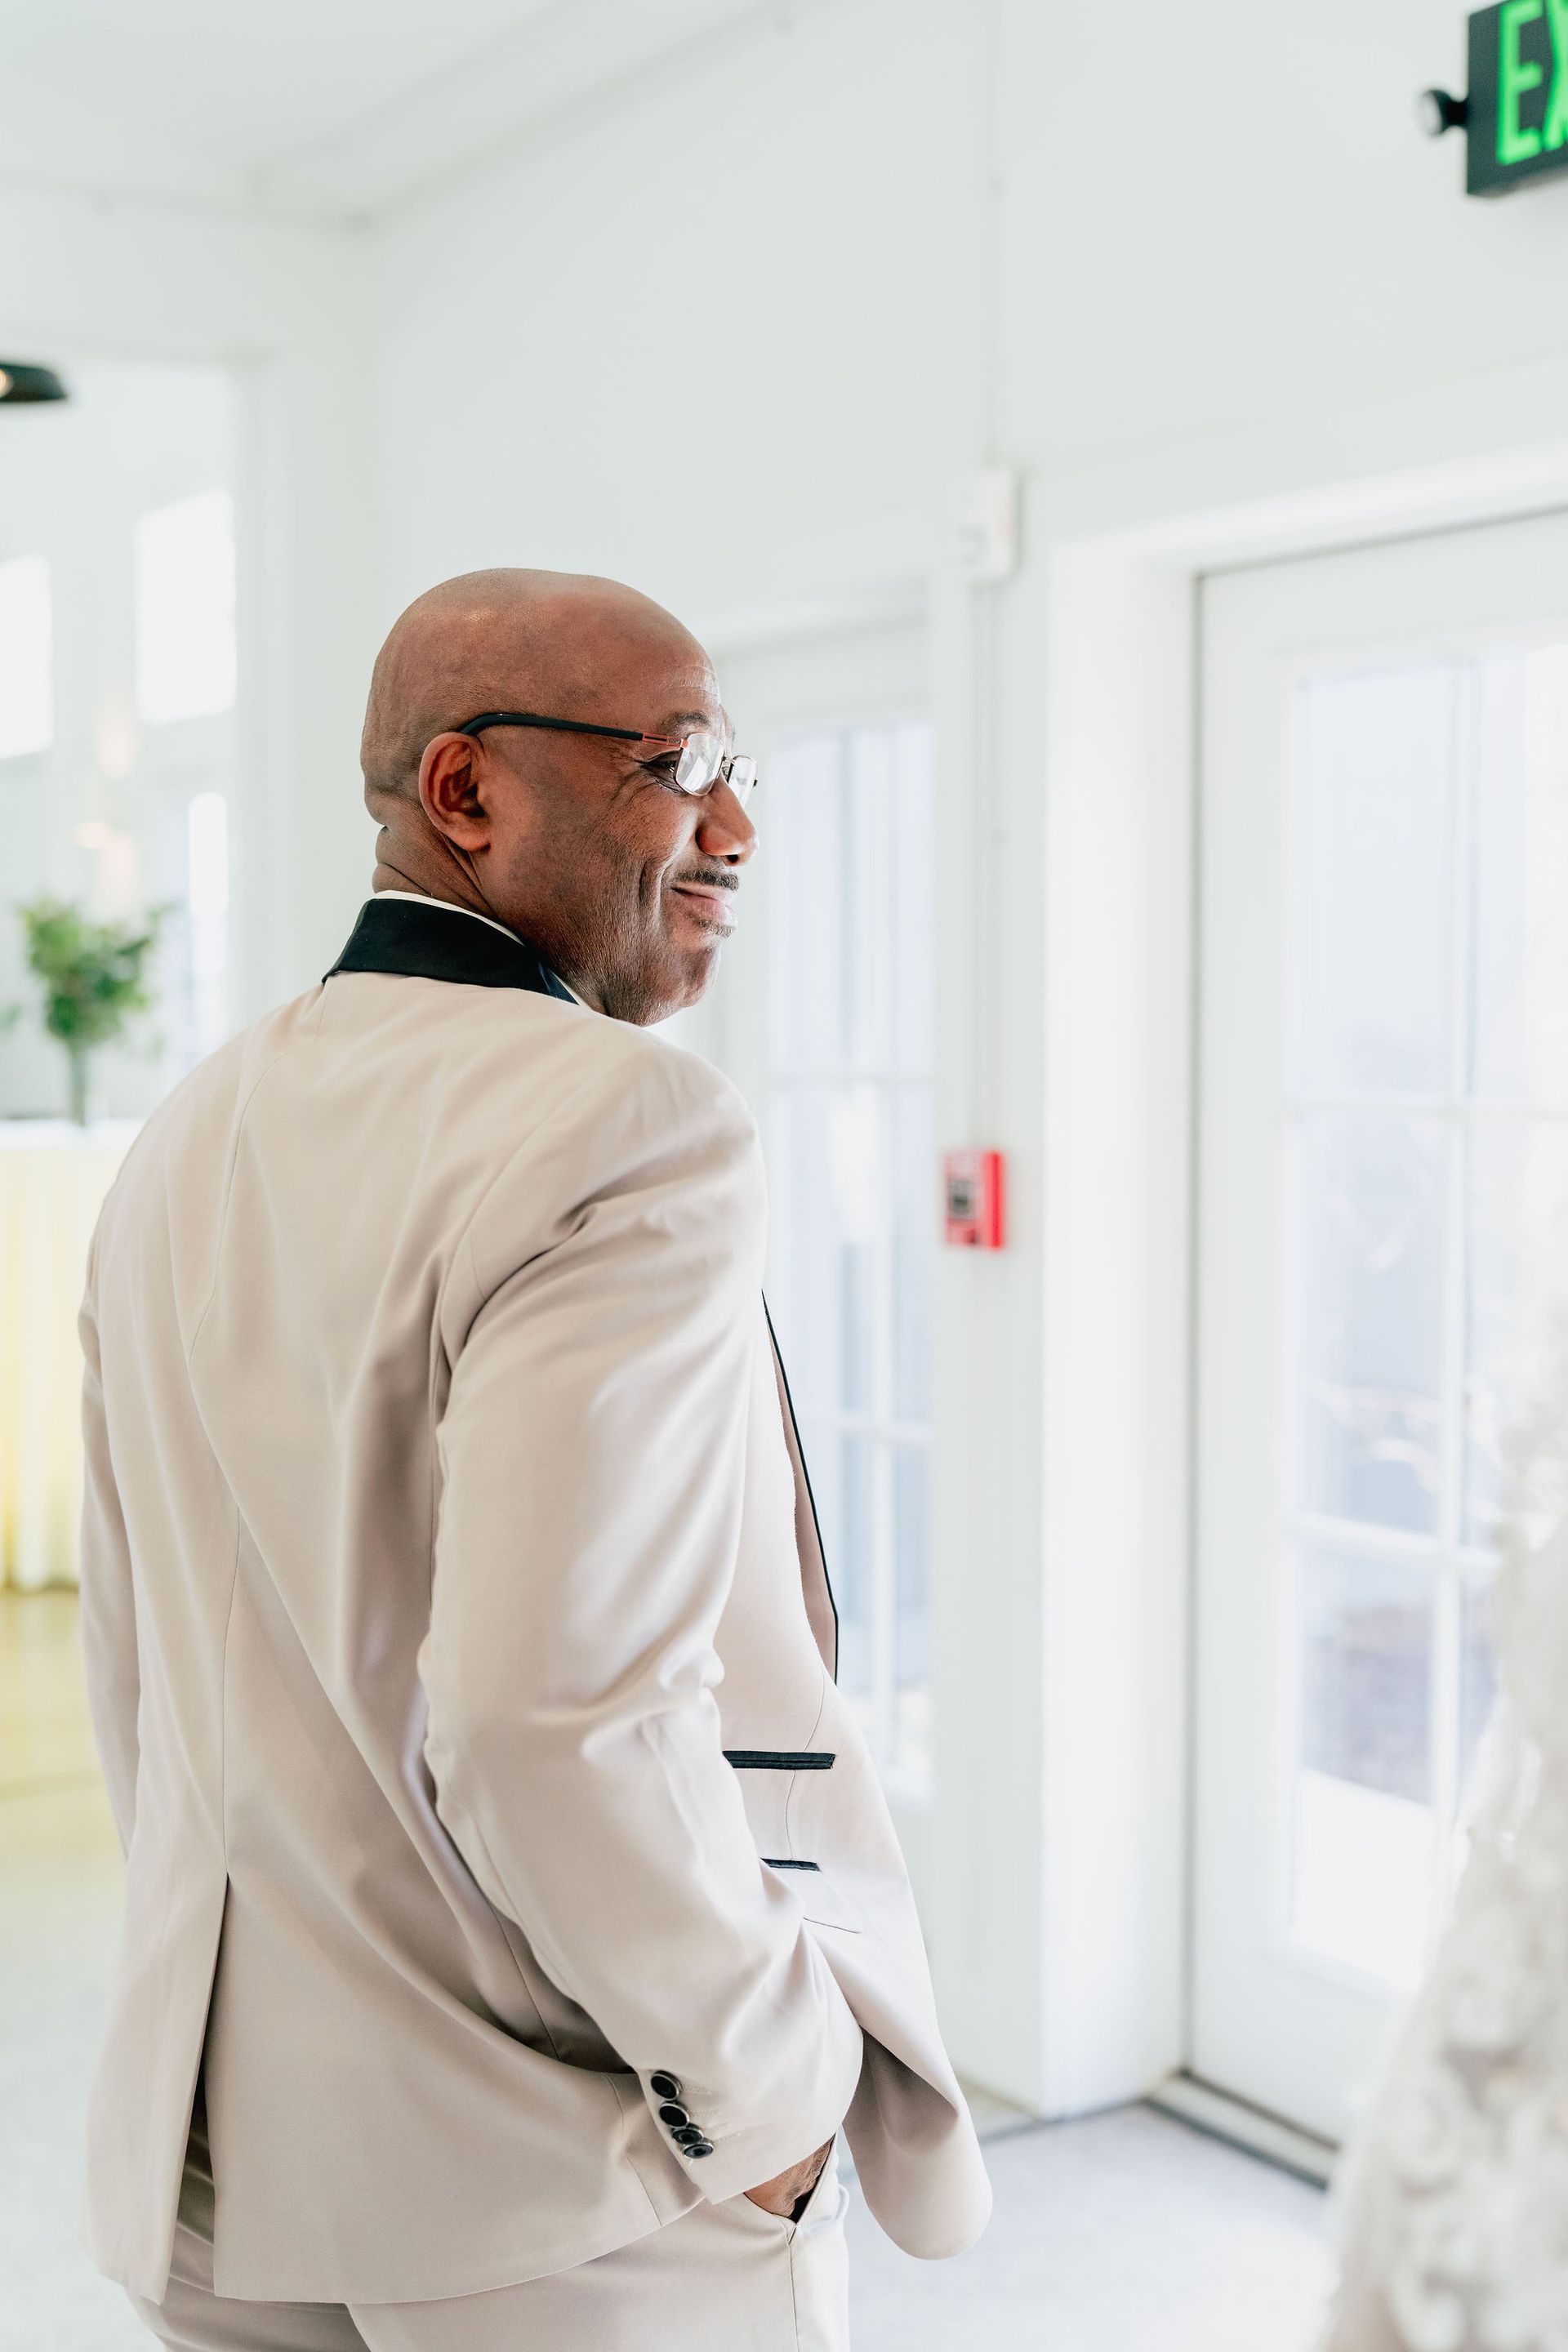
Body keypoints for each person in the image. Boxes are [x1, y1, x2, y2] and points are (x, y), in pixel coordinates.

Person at [78, 568, 991, 2352]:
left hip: (214, 2164)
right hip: (567, 2190)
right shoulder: (622, 1121)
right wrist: (763, 2100)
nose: (732, 823)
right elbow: (547, 1717)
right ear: (468, 793)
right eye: (673, 761)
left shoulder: (189, 1128)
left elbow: (147, 1689)